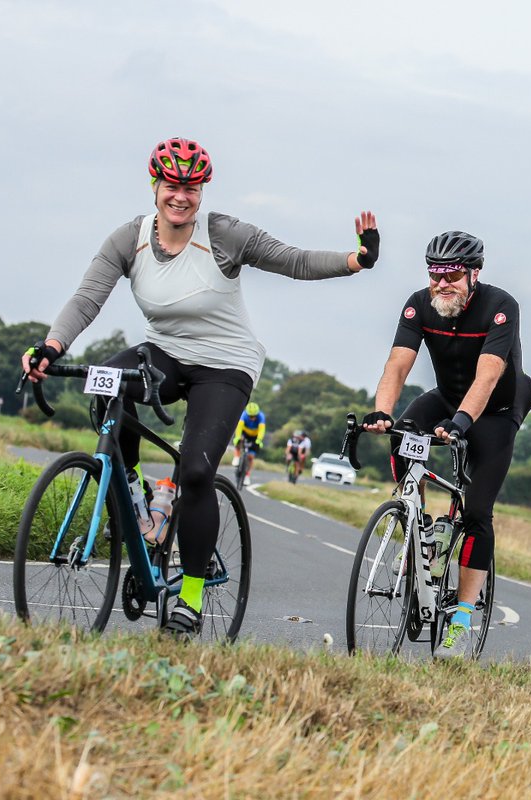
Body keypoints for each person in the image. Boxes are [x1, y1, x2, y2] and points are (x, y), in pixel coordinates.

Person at [21, 137, 381, 637]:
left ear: (201, 191)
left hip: (225, 365)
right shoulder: (129, 239)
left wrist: (357, 260)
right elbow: (87, 299)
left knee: (194, 473)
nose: (181, 196)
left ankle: (190, 595)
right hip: (165, 352)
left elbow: (292, 260)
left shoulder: (225, 235)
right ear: (155, 187)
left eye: (191, 187)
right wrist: (51, 347)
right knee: (106, 383)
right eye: (172, 185)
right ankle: (135, 498)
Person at [362, 230, 531, 660]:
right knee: (403, 432)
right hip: (446, 395)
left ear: (474, 274)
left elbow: (489, 375)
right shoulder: (420, 303)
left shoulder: (500, 306)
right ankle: (417, 525)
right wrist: (383, 410)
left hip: (495, 409)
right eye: (435, 274)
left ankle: (461, 619)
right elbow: (398, 363)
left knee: (477, 510)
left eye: (453, 275)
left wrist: (461, 422)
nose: (442, 283)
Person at [232, 401, 266, 486]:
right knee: (238, 442)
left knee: (251, 457)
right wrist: (238, 437)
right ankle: (236, 457)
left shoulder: (261, 417)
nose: (252, 418)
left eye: (254, 416)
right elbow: (239, 428)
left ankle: (247, 476)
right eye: (250, 416)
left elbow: (262, 430)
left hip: (255, 435)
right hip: (245, 433)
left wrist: (258, 440)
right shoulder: (243, 415)